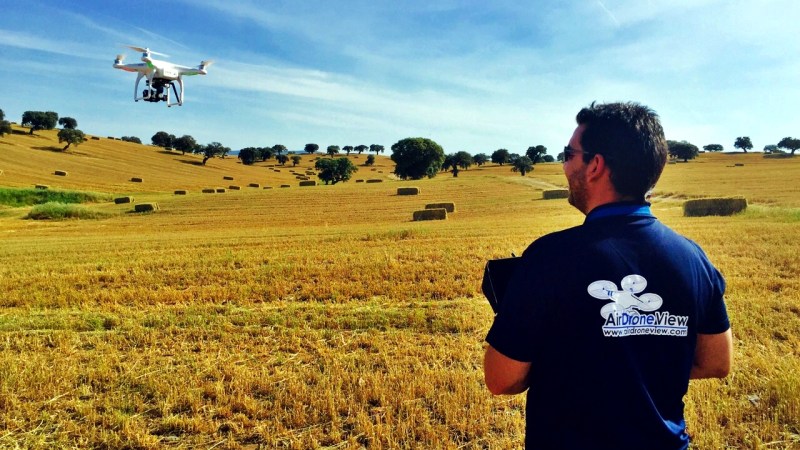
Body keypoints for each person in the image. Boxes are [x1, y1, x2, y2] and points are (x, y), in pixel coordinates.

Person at [483, 101, 732, 450]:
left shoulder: (549, 258)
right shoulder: (693, 258)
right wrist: (641, 360)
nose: (564, 164)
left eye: (569, 153)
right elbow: (717, 362)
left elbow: (501, 378)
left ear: (595, 165)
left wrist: (579, 360)